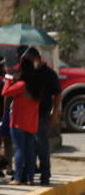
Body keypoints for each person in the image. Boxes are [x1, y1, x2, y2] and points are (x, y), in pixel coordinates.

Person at [3, 56, 43, 186]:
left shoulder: (22, 85)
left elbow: (5, 93)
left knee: (19, 150)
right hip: (31, 123)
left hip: (18, 122)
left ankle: (18, 178)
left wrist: (9, 80)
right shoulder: (37, 86)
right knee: (30, 151)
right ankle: (30, 178)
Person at [24, 47, 61, 186]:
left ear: (38, 58)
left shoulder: (49, 74)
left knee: (42, 145)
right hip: (27, 115)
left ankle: (45, 175)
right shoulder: (28, 72)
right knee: (29, 145)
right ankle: (30, 175)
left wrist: (55, 114)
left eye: (31, 59)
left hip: (42, 114)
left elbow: (57, 94)